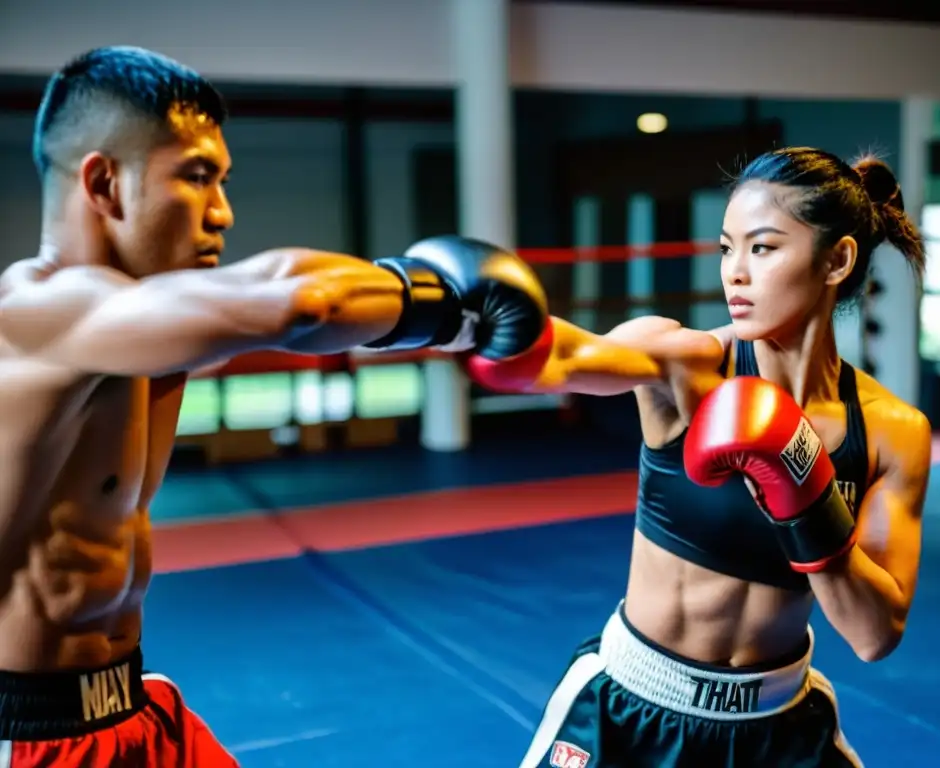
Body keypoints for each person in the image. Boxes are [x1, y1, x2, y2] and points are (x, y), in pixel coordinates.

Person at [0, 46, 550, 766]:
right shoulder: (38, 314)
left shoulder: (142, 326)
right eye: (197, 178)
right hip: (37, 739)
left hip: (135, 706)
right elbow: (298, 303)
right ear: (104, 184)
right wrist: (445, 298)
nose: (222, 213)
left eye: (221, 181)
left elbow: (293, 309)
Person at [435, 147, 933, 766]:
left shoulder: (892, 431)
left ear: (837, 260)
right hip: (632, 709)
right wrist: (452, 316)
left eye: (763, 247)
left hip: (780, 724)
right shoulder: (688, 364)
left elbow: (875, 635)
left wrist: (807, 499)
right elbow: (564, 358)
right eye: (727, 249)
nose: (735, 273)